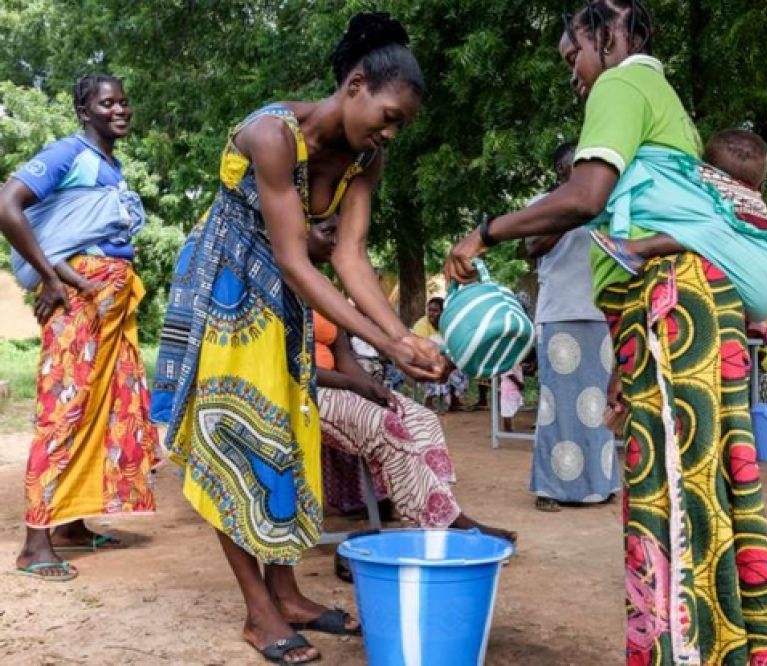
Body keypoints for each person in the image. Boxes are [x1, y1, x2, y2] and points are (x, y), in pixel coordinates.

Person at [444, 2, 767, 663]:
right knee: (699, 489)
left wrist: (484, 230)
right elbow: (639, 235)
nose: (570, 66)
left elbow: (587, 195)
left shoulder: (622, 82)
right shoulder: (655, 97)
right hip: (670, 312)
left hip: (673, 309)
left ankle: (678, 653)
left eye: (572, 49)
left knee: (673, 506)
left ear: (609, 35)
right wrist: (619, 374)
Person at [151, 13, 445, 664]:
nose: (390, 131)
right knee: (237, 438)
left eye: (401, 124)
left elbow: (350, 255)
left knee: (287, 438)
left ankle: (286, 591)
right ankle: (259, 612)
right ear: (357, 84)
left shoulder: (368, 155)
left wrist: (401, 337)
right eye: (389, 114)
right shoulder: (271, 134)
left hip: (285, 302)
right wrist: (390, 343)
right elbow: (293, 256)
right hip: (226, 292)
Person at [0, 74, 159, 583]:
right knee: (64, 409)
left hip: (105, 303)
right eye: (106, 103)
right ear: (83, 111)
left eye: (124, 101)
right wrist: (50, 276)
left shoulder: (109, 165)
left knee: (99, 407)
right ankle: (34, 544)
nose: (120, 109)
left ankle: (70, 523)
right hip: (76, 300)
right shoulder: (69, 153)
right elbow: (7, 205)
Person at [307, 217, 514, 541]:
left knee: (421, 417)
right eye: (327, 232)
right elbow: (284, 365)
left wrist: (370, 385)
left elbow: (343, 353)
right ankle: (442, 527)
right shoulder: (279, 286)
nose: (336, 239)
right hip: (304, 391)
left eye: (338, 229)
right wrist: (352, 385)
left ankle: (441, 509)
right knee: (385, 425)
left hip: (341, 385)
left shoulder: (326, 291)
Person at [590, 129, 767, 319]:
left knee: (707, 229)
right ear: (761, 185)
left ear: (705, 165)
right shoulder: (756, 204)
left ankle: (638, 248)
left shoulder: (704, 185)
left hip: (758, 279)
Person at [524, 141, 621, 512]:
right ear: (560, 172)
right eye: (573, 168)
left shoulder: (607, 205)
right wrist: (572, 211)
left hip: (600, 316)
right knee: (555, 407)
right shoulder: (542, 203)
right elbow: (533, 246)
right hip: (559, 315)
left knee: (599, 406)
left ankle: (600, 484)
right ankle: (549, 488)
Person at [413, 297, 471, 411]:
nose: (431, 314)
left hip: (447, 359)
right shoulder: (421, 325)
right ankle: (429, 401)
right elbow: (421, 349)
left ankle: (455, 401)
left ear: (443, 312)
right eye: (429, 310)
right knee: (436, 369)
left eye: (435, 311)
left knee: (461, 367)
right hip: (426, 361)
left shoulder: (448, 325)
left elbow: (455, 344)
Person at [499, 363, 525, 432]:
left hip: (512, 389)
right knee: (507, 411)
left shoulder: (514, 361)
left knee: (508, 410)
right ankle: (507, 428)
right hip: (509, 389)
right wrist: (519, 384)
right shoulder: (507, 361)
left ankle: (508, 428)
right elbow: (509, 374)